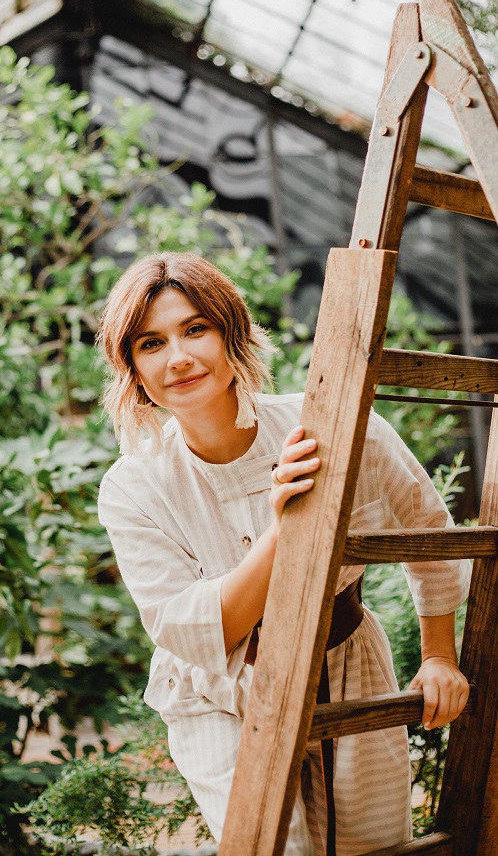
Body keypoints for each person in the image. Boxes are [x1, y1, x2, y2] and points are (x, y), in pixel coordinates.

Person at [96, 251, 470, 856]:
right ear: (134, 371)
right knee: (273, 847)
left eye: (196, 328)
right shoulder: (133, 486)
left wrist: (438, 656)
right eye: (151, 343)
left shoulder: (332, 427)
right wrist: (283, 529)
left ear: (233, 333)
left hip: (347, 664)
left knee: (372, 846)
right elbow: (196, 629)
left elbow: (427, 530)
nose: (179, 357)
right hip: (218, 691)